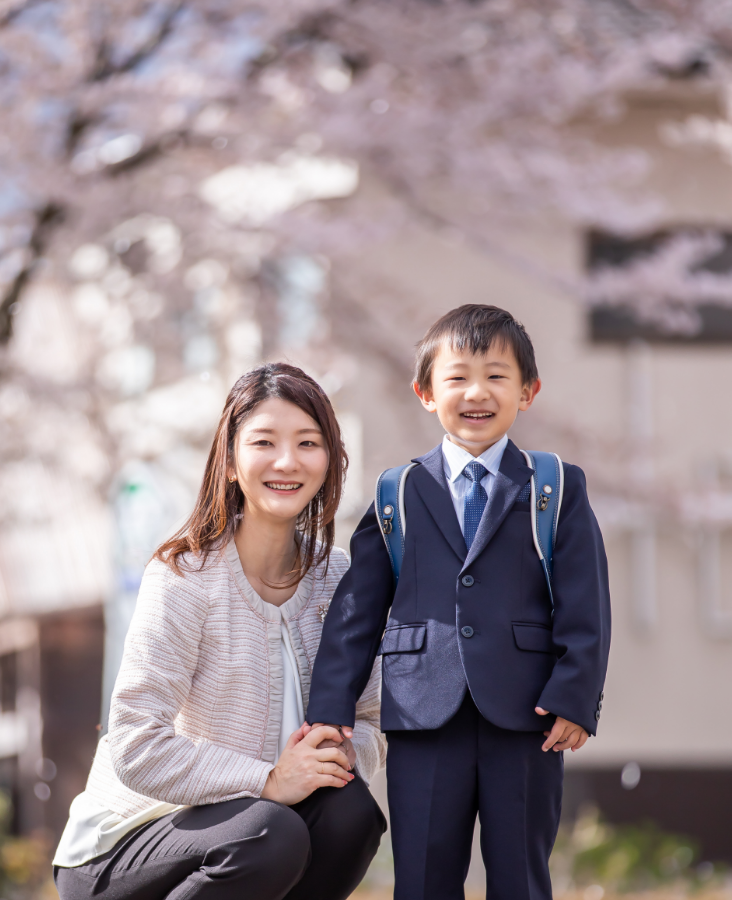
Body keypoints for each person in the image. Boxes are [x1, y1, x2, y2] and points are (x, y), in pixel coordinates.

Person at [307, 305, 611, 900]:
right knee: (422, 876)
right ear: (425, 392)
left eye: (497, 376)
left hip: (529, 718)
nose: (477, 392)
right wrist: (330, 707)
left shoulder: (555, 486)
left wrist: (575, 695)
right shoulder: (397, 491)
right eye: (457, 377)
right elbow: (356, 611)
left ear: (528, 391)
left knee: (521, 875)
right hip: (423, 715)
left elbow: (586, 601)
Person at [53, 362, 387, 900]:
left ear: (329, 460)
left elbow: (370, 717)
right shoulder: (184, 577)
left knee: (351, 815)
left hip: (259, 829)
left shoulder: (337, 579)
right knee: (269, 833)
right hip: (126, 844)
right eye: (264, 442)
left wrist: (340, 756)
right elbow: (136, 743)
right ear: (230, 461)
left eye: (308, 442)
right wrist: (268, 781)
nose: (287, 461)